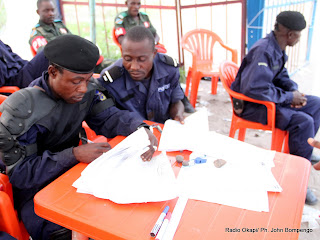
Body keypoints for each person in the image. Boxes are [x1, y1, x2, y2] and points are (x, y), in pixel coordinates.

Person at [0, 34, 157, 240]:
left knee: (132, 216)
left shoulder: (85, 91)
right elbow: (21, 173)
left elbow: (109, 117)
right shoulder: (23, 109)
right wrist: (73, 154)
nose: (83, 88)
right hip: (38, 196)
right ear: (53, 72)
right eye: (76, 81)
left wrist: (140, 127)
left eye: (87, 79)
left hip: (79, 176)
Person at [231, 11, 320, 205]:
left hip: (268, 100)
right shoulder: (264, 50)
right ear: (290, 35)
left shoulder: (277, 47)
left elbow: (281, 77)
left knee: (315, 103)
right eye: (299, 34)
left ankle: (302, 151)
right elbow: (253, 88)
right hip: (253, 106)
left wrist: (294, 91)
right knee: (304, 121)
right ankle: (299, 180)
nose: (299, 38)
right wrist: (289, 97)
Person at [114, 0, 195, 113]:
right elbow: (121, 39)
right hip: (133, 53)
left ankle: (181, 100)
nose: (136, 7)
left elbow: (155, 34)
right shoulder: (121, 18)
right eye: (132, 3)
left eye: (138, 4)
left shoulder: (144, 17)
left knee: (167, 70)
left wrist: (153, 44)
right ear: (126, 3)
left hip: (148, 53)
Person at [100, 26, 185, 124]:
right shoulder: (111, 80)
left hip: (163, 131)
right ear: (122, 54)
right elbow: (107, 118)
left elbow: (176, 101)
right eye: (128, 59)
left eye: (142, 59)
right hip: (131, 134)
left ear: (154, 54)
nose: (134, 67)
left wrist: (178, 115)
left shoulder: (169, 69)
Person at [29, 0, 110, 73]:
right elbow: (45, 56)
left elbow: (74, 41)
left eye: (53, 10)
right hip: (65, 69)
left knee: (114, 66)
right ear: (38, 12)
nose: (51, 13)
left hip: (80, 61)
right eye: (46, 11)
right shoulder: (37, 33)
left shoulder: (59, 25)